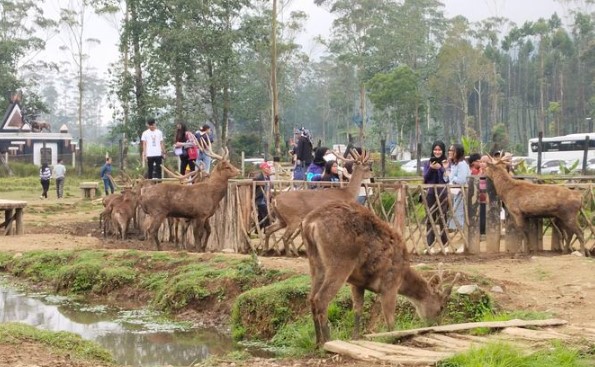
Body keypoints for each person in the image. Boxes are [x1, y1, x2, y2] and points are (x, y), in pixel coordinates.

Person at [422, 140, 449, 250]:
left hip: (442, 193)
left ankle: (445, 244)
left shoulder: (447, 162)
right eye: (435, 149)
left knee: (443, 218)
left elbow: (446, 179)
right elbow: (425, 178)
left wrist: (441, 168)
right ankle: (430, 244)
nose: (437, 152)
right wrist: (432, 169)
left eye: (439, 150)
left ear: (443, 151)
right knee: (430, 218)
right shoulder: (427, 163)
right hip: (430, 194)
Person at [444, 143, 471, 230]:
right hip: (456, 193)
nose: (450, 152)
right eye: (449, 150)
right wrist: (446, 170)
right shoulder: (454, 164)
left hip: (462, 193)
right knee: (456, 212)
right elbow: (447, 178)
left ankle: (462, 232)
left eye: (452, 150)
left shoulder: (461, 164)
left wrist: (450, 175)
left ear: (457, 152)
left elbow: (461, 180)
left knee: (460, 212)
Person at [468, 153, 487, 235]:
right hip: (478, 198)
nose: (481, 163)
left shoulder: (491, 173)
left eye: (484, 162)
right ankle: (481, 232)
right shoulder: (477, 172)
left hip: (487, 199)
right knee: (479, 216)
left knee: (486, 216)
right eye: (480, 162)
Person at [253, 161, 272, 229]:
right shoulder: (258, 177)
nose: (269, 169)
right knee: (266, 213)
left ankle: (257, 229)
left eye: (269, 168)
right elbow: (253, 184)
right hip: (260, 198)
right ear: (263, 168)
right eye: (268, 168)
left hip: (266, 198)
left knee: (261, 215)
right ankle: (266, 229)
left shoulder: (268, 177)